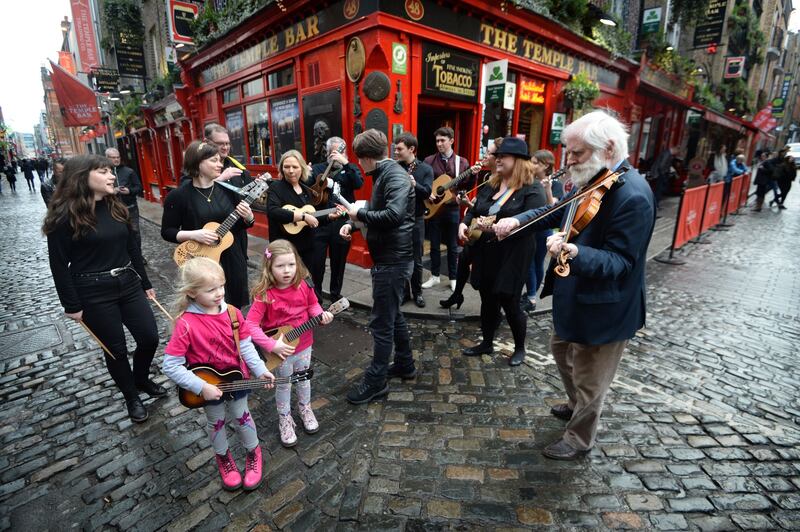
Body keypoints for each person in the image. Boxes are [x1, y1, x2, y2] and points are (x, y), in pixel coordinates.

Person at [494, 110, 656, 460]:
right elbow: (556, 213)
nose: (569, 161)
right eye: (567, 152)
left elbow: (621, 262)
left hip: (605, 307)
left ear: (608, 148)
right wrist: (516, 220)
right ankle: (574, 403)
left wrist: (575, 251)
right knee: (561, 349)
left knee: (590, 377)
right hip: (575, 296)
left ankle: (579, 437)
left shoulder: (633, 196)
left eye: (576, 153)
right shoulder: (592, 178)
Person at [43, 154, 162, 423]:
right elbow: (59, 264)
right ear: (83, 176)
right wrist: (71, 304)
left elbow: (133, 248)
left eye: (111, 171)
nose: (112, 176)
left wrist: (146, 283)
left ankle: (141, 380)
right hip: (93, 291)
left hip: (128, 283)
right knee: (115, 350)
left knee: (149, 337)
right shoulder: (64, 216)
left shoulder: (116, 206)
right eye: (104, 172)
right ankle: (131, 396)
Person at [162, 257, 274, 491]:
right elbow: (171, 365)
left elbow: (245, 347)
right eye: (210, 289)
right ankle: (223, 457)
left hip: (237, 379)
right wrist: (200, 387)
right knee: (216, 422)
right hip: (207, 385)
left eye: (221, 286)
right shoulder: (186, 324)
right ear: (192, 293)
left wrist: (261, 370)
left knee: (242, 416)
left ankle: (254, 452)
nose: (219, 293)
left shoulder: (233, 314)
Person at [339, 129, 416, 403]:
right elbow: (379, 210)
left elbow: (393, 215)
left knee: (382, 323)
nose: (359, 164)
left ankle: (376, 381)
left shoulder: (392, 174)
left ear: (366, 158)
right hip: (391, 258)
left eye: (359, 159)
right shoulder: (387, 173)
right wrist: (354, 224)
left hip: (393, 261)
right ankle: (405, 364)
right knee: (393, 316)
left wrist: (358, 213)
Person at [458, 137, 545, 367]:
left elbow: (532, 223)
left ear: (518, 161)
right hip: (487, 251)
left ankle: (519, 348)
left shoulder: (532, 189)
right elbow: (475, 210)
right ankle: (487, 342)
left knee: (510, 301)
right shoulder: (491, 183)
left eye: (502, 157)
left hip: (513, 254)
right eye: (497, 156)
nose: (497, 160)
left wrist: (499, 226)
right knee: (487, 298)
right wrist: (464, 223)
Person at [246, 239, 333, 447]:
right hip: (280, 351)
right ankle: (285, 418)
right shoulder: (264, 294)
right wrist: (271, 345)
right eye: (280, 266)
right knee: (284, 384)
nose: (287, 271)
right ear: (269, 267)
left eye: (291, 265)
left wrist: (320, 315)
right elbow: (249, 325)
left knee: (304, 379)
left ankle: (305, 408)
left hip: (304, 344)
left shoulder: (304, 284)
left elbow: (312, 305)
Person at [162, 141, 257, 308]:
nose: (220, 165)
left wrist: (248, 218)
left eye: (220, 160)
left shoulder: (229, 190)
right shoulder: (179, 196)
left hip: (232, 257)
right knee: (207, 308)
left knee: (235, 307)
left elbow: (240, 225)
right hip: (202, 258)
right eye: (214, 160)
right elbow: (167, 231)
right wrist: (193, 234)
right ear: (197, 162)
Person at [439, 137, 503, 309]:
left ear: (499, 158)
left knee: (485, 283)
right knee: (464, 260)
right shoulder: (488, 177)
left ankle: (491, 315)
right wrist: (465, 217)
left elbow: (495, 212)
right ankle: (457, 295)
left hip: (490, 239)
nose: (485, 156)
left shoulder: (505, 185)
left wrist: (472, 209)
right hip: (476, 233)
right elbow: (478, 208)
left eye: (488, 153)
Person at [307, 137, 364, 303]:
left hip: (342, 223)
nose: (338, 155)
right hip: (321, 222)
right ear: (327, 152)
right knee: (317, 264)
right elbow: (307, 189)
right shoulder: (318, 169)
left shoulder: (351, 169)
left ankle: (335, 294)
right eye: (334, 152)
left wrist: (345, 163)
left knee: (338, 262)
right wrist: (306, 173)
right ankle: (316, 298)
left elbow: (359, 183)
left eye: (342, 151)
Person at [422, 127, 475, 292]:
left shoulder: (462, 162)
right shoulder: (429, 160)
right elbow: (423, 183)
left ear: (451, 140)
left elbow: (466, 185)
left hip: (452, 208)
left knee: (453, 245)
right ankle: (435, 276)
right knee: (435, 244)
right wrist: (428, 193)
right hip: (434, 208)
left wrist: (472, 175)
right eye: (437, 141)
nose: (439, 144)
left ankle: (453, 277)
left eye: (442, 140)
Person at [394, 132, 434, 308]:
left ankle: (417, 293)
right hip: (399, 220)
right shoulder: (396, 167)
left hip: (417, 219)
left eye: (399, 149)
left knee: (417, 259)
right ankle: (404, 292)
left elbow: (427, 192)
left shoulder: (425, 169)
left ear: (411, 149)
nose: (396, 151)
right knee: (401, 258)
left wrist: (414, 184)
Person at [522, 149, 564, 313]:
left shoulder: (557, 185)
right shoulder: (529, 180)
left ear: (545, 165)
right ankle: (531, 294)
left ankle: (531, 297)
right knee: (530, 262)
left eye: (535, 162)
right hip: (530, 225)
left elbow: (552, 208)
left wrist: (547, 189)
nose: (531, 165)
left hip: (543, 229)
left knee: (535, 262)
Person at [267, 150, 322, 272]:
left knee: (308, 282)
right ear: (281, 169)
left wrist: (330, 217)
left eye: (295, 167)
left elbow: (312, 216)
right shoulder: (276, 187)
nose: (291, 171)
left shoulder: (306, 188)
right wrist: (302, 217)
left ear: (302, 168)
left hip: (307, 246)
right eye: (286, 167)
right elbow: (273, 211)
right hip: (286, 249)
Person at [106, 148, 145, 260]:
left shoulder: (129, 172)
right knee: (118, 233)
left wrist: (129, 191)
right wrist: (112, 191)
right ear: (107, 158)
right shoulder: (104, 173)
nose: (116, 159)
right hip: (113, 209)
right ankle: (123, 256)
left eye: (118, 157)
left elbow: (139, 187)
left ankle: (138, 256)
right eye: (113, 158)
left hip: (130, 208)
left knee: (135, 232)